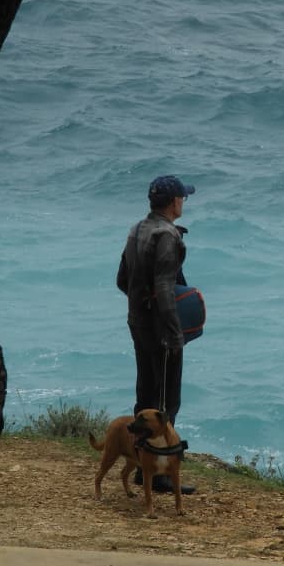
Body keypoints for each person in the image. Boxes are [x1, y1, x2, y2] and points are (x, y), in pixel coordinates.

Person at [116, 174, 196, 495]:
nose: (183, 202)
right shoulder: (167, 235)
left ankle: (142, 467)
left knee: (145, 394)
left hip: (138, 323)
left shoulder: (137, 229)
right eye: (182, 198)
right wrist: (174, 333)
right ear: (174, 202)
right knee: (165, 402)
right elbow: (165, 288)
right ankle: (159, 476)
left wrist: (141, 307)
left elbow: (122, 280)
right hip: (161, 330)